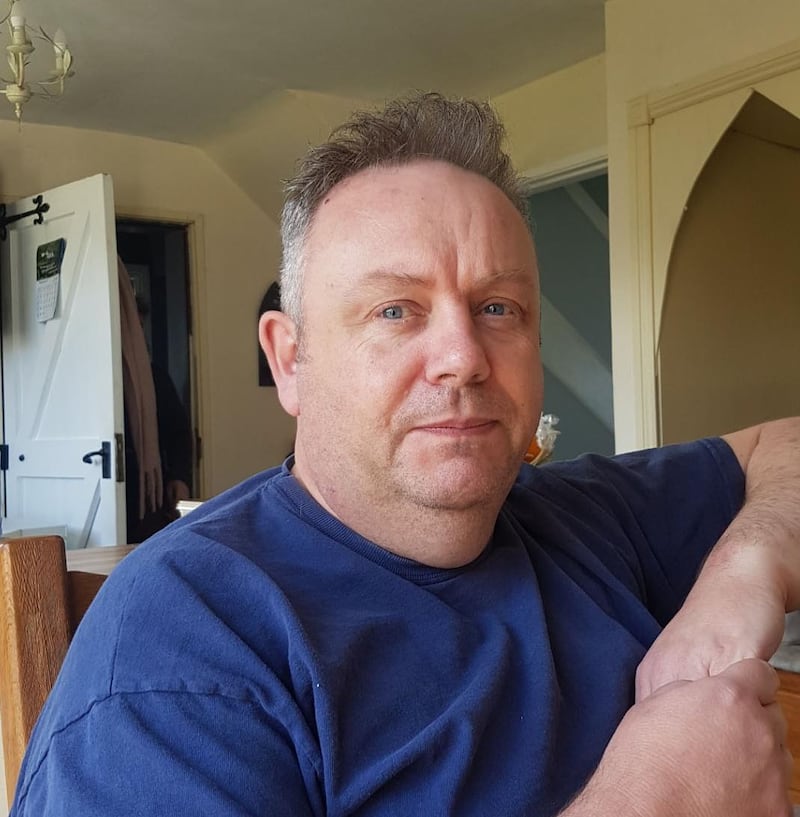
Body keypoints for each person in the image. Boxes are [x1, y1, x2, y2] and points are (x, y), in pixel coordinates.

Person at [9, 93, 800, 817]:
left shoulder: (586, 514)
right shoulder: (181, 647)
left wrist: (742, 577)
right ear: (291, 360)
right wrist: (655, 798)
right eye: (395, 310)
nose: (464, 356)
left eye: (499, 307)